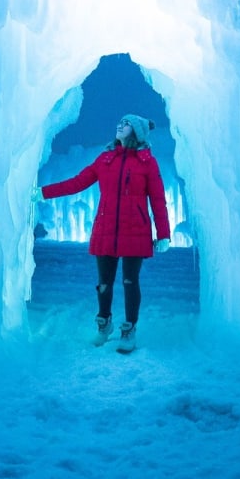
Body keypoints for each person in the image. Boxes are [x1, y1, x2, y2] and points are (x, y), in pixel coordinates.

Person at [37, 113, 171, 352]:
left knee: (130, 282)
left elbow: (158, 199)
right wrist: (43, 193)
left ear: (137, 131)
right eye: (119, 122)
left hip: (136, 231)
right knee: (104, 284)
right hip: (106, 229)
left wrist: (164, 234)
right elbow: (77, 182)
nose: (119, 126)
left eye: (126, 124)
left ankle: (129, 330)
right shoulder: (105, 159)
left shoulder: (147, 162)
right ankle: (104, 325)